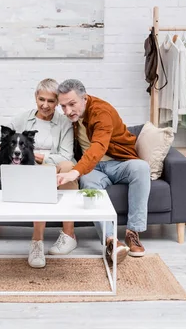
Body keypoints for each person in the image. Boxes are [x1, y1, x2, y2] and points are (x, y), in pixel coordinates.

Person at [56, 79, 151, 265]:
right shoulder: (73, 118)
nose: (68, 111)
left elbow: (99, 145)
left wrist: (75, 172)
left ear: (85, 98)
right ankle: (111, 241)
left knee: (141, 167)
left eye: (72, 104)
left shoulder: (101, 112)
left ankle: (133, 232)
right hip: (94, 168)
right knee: (89, 184)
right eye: (63, 106)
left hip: (120, 162)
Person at [0, 78, 78, 269]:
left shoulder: (64, 123)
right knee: (39, 176)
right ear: (36, 97)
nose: (45, 105)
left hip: (55, 167)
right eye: (41, 99)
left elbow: (66, 155)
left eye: (51, 101)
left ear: (57, 102)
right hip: (30, 170)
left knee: (69, 166)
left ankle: (69, 235)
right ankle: (37, 242)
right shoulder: (23, 118)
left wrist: (39, 157)